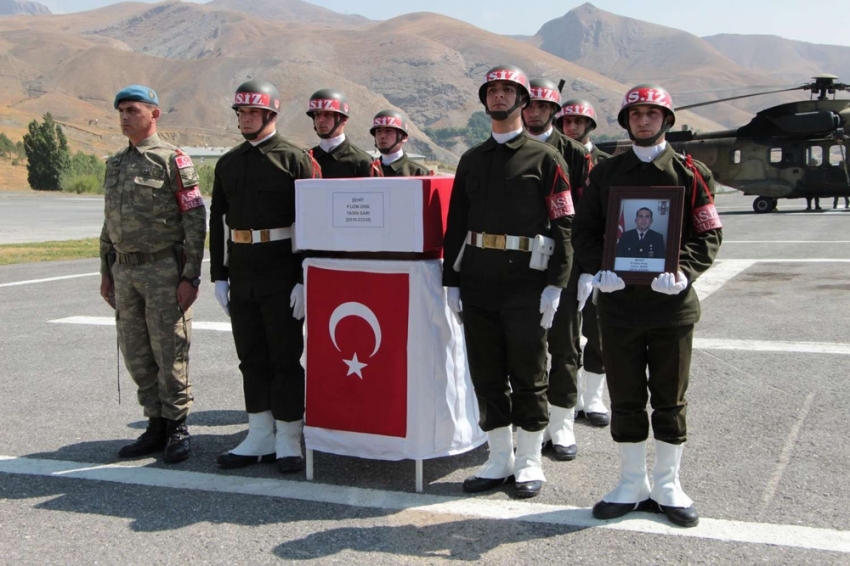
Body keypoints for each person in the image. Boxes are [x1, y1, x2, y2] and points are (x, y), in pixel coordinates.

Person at [572, 84, 722, 528]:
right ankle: (632, 482)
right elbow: (584, 230)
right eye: (635, 114)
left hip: (670, 309)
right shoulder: (605, 174)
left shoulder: (690, 173)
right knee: (626, 397)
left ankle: (669, 483)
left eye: (652, 114)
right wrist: (599, 268)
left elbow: (708, 233)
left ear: (666, 120)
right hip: (618, 305)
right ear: (625, 121)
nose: (643, 120)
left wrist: (685, 272)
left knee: (670, 399)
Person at [442, 64, 574, 498]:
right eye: (492, 90)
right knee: (487, 372)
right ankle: (499, 458)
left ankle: (530, 459)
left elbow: (564, 226)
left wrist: (556, 284)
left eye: (507, 90)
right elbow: (457, 223)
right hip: (479, 282)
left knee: (529, 373)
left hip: (526, 285)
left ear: (525, 100)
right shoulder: (471, 159)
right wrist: (452, 281)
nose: (498, 96)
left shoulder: (547, 158)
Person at [210, 80, 321, 474]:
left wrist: (305, 277)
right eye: (240, 113)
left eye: (252, 113)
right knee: (250, 356)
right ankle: (258, 433)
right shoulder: (228, 163)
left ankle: (289, 436)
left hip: (282, 271)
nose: (245, 119)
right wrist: (218, 276)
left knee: (285, 357)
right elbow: (217, 222)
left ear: (271, 115)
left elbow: (312, 223)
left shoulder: (296, 160)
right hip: (241, 269)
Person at [99, 85, 206, 464]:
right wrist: (106, 273)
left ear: (153, 114)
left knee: (169, 350)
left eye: (132, 110)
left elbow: (195, 219)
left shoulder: (172, 161)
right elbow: (109, 224)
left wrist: (190, 276)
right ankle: (155, 423)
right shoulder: (116, 163)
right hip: (125, 272)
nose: (125, 117)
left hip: (163, 270)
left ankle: (177, 424)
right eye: (121, 111)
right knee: (137, 353)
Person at [522, 78, 588, 461]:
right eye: (528, 106)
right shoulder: (512, 148)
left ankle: (561, 424)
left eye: (542, 107)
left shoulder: (576, 154)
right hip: (520, 263)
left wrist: (587, 268)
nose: (534, 112)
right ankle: (531, 417)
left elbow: (586, 213)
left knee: (563, 344)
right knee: (526, 345)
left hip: (565, 260)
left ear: (554, 111)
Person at [556, 98, 611, 428]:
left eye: (578, 122)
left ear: (589, 125)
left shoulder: (605, 163)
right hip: (565, 255)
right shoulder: (556, 158)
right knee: (565, 333)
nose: (572, 127)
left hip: (597, 256)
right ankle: (570, 396)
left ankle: (593, 396)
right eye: (567, 121)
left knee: (597, 329)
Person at [307, 88, 382, 178]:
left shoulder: (363, 162)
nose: (320, 120)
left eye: (328, 114)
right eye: (316, 114)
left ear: (344, 119)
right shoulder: (306, 160)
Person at [370, 109, 432, 177]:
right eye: (378, 131)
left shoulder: (419, 173)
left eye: (388, 131)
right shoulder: (367, 170)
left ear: (404, 137)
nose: (382, 136)